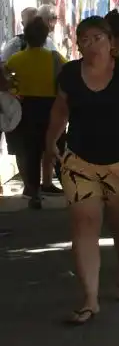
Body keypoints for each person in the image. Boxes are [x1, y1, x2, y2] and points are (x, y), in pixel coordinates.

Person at [44, 16, 119, 325]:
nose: (91, 44)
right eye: (84, 39)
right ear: (77, 45)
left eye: (97, 38)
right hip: (79, 163)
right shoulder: (69, 74)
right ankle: (90, 299)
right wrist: (51, 140)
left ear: (111, 42)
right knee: (84, 225)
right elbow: (60, 108)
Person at [5, 17, 66, 207]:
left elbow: (7, 81)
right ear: (46, 35)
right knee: (56, 147)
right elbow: (67, 76)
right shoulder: (55, 58)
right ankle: (70, 186)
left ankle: (33, 191)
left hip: (26, 109)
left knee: (30, 151)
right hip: (52, 107)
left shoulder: (15, 59)